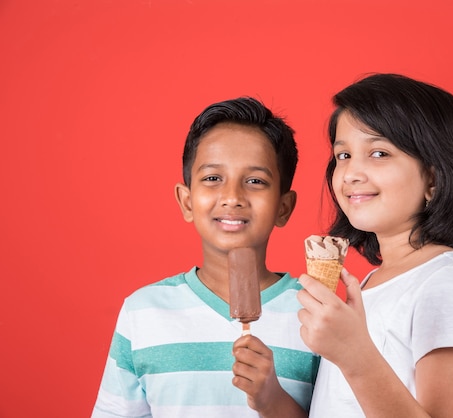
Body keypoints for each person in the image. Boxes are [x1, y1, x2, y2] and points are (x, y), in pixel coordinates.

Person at [297, 73, 453, 417]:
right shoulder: (372, 285)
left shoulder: (448, 287)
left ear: (434, 178)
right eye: (343, 155)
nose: (350, 173)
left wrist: (354, 355)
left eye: (379, 153)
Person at [92, 97, 319, 418]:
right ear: (186, 201)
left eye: (255, 181)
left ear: (284, 207)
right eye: (213, 178)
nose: (232, 197)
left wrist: (273, 401)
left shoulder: (316, 315)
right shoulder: (142, 312)